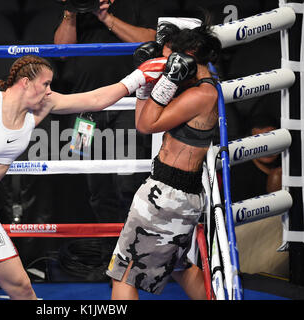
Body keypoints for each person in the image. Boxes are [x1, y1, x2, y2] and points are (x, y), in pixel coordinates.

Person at [0, 54, 165, 299]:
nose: (49, 91)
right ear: (25, 82)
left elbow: (96, 99)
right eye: (45, 84)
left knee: (23, 289)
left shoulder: (43, 104)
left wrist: (137, 78)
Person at [106, 20, 222, 300]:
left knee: (123, 271)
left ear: (189, 57)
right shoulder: (195, 88)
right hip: (177, 194)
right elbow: (141, 120)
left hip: (167, 197)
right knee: (180, 266)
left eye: (170, 60)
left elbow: (146, 126)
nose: (166, 65)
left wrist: (166, 82)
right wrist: (147, 85)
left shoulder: (201, 94)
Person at [54, 0, 162, 264]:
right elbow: (61, 51)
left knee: (127, 184)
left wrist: (105, 17)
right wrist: (71, 13)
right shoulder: (76, 10)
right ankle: (109, 256)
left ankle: (131, 253)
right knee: (95, 187)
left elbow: (151, 42)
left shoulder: (132, 6)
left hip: (126, 106)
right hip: (84, 108)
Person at [230, 114, 288, 277]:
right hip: (249, 254)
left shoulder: (291, 166)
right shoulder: (237, 173)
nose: (267, 147)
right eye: (260, 142)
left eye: (271, 139)